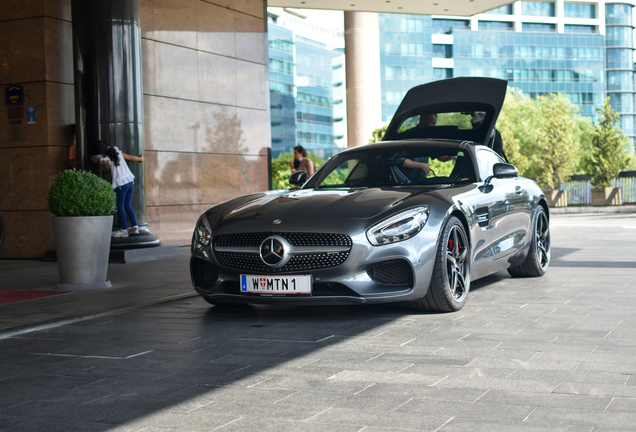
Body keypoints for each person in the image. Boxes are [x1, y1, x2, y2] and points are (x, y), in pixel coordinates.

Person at [91, 141, 144, 237]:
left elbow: (107, 171)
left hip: (120, 184)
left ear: (100, 153)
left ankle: (123, 230)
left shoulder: (105, 160)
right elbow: (130, 157)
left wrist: (99, 162)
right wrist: (140, 159)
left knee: (120, 206)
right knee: (128, 205)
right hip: (130, 181)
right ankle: (134, 227)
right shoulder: (117, 151)